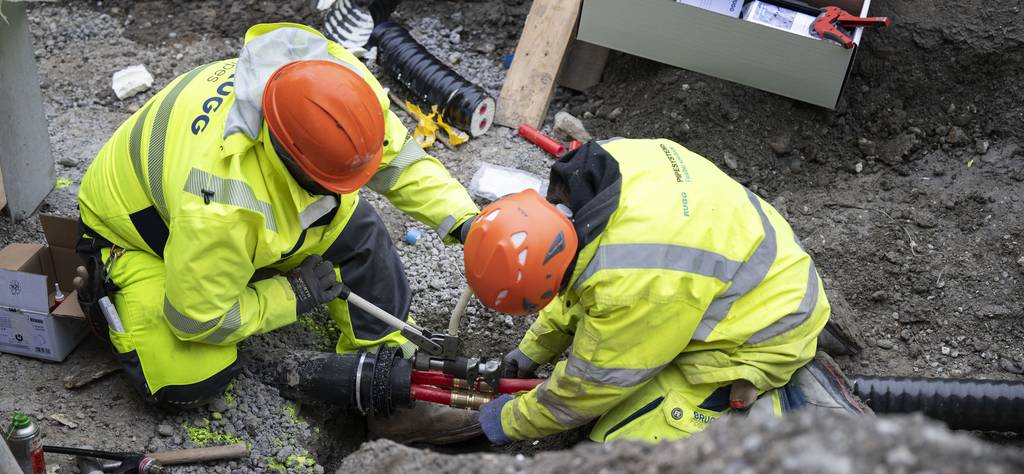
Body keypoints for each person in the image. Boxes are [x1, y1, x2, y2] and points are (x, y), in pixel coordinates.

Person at [74, 23, 479, 416]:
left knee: (362, 239)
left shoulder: (336, 88)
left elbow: (400, 163)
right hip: (139, 235)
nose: (349, 188)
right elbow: (196, 320)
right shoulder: (221, 205)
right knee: (186, 382)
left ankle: (382, 363)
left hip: (213, 213)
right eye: (331, 182)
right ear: (293, 162)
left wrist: (466, 221)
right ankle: (111, 293)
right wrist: (291, 295)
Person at [465, 139, 868, 445]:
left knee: (615, 448)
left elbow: (588, 390)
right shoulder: (598, 167)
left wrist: (507, 421)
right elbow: (577, 281)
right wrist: (530, 352)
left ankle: (786, 407)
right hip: (746, 275)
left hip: (762, 331)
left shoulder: (634, 281)